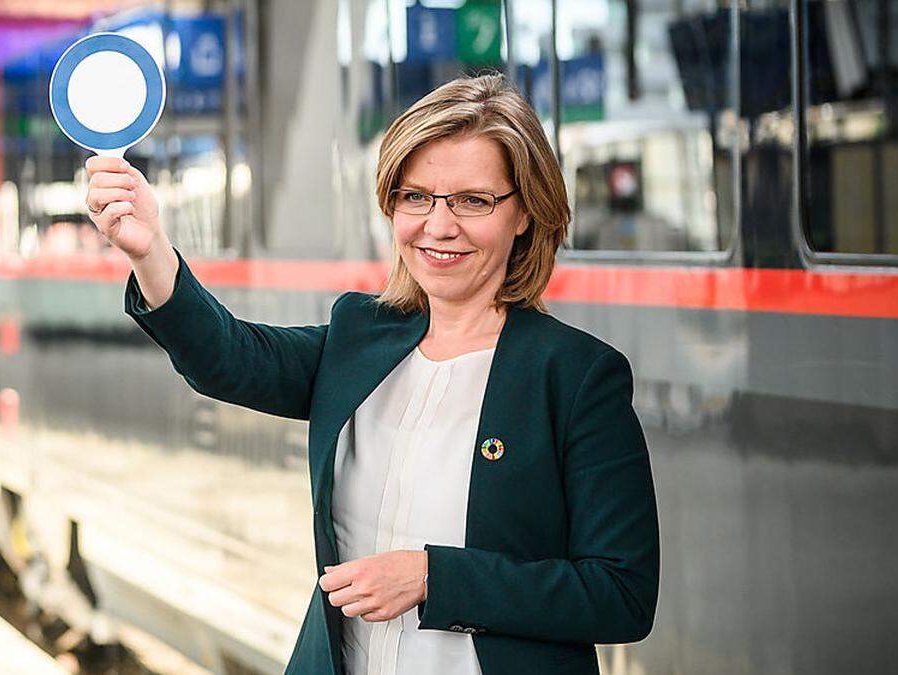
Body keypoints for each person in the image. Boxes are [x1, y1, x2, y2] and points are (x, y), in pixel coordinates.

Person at [85, 74, 659, 675]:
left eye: (473, 199)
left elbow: (621, 594)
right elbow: (228, 359)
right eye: (416, 197)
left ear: (524, 213)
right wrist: (149, 249)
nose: (439, 225)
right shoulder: (361, 337)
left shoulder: (575, 377)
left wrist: (434, 578)